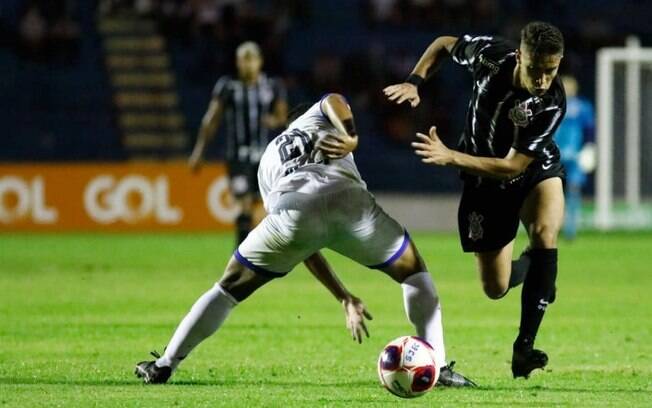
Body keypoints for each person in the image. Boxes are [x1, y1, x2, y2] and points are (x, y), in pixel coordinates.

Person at [136, 93, 475, 387]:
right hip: (348, 202)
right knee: (413, 273)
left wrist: (343, 297)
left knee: (227, 289)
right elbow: (334, 100)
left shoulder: (269, 157)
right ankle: (439, 366)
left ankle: (165, 363)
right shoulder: (316, 116)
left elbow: (303, 245)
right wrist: (352, 137)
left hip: (292, 212)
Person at [384, 21, 566, 379]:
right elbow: (442, 42)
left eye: (551, 70)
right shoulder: (491, 57)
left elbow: (513, 164)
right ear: (519, 56)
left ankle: (523, 350)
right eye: (535, 70)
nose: (543, 79)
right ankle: (535, 269)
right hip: (485, 183)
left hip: (532, 170)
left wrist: (451, 156)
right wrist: (414, 81)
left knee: (546, 233)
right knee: (495, 287)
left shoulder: (551, 103)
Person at [189, 41, 288, 246]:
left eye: (251, 59)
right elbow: (211, 120)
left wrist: (273, 120)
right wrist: (199, 152)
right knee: (243, 206)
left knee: (260, 208)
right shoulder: (228, 87)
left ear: (260, 62)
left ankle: (254, 255)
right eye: (243, 59)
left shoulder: (272, 86)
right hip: (237, 157)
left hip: (265, 159)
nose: (247, 64)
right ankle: (241, 257)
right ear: (237, 62)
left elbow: (282, 116)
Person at [556, 75, 595, 240]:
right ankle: (553, 226)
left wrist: (590, 148)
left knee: (573, 191)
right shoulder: (553, 104)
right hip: (554, 156)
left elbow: (590, 131)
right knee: (553, 193)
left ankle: (570, 230)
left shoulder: (583, 107)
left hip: (574, 156)